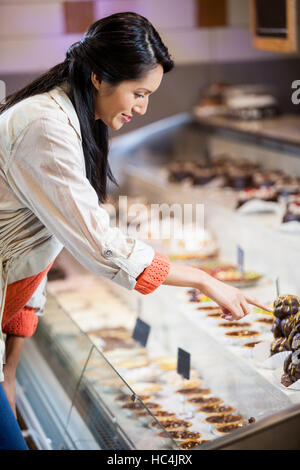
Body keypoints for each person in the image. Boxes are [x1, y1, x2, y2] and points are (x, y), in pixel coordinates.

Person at [0, 12, 271, 449]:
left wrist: (13, 347)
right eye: (138, 92)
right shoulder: (45, 126)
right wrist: (202, 278)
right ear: (99, 77)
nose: (143, 107)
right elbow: (100, 245)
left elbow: (36, 236)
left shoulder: (71, 116)